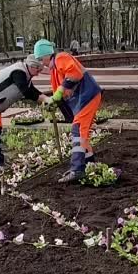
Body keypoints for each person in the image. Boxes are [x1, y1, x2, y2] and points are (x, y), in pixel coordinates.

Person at [34, 39, 102, 183]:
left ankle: (77, 169)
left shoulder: (61, 58)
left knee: (78, 130)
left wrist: (58, 93)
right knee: (82, 133)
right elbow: (59, 91)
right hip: (85, 98)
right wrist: (54, 101)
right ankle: (90, 164)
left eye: (41, 58)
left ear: (48, 54)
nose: (41, 62)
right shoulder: (54, 68)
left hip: (87, 97)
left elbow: (74, 74)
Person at [0, 55, 50, 174]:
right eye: (37, 70)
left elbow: (32, 90)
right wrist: (44, 99)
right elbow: (26, 91)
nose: (38, 73)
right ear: (31, 66)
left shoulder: (25, 75)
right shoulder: (18, 72)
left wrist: (46, 99)